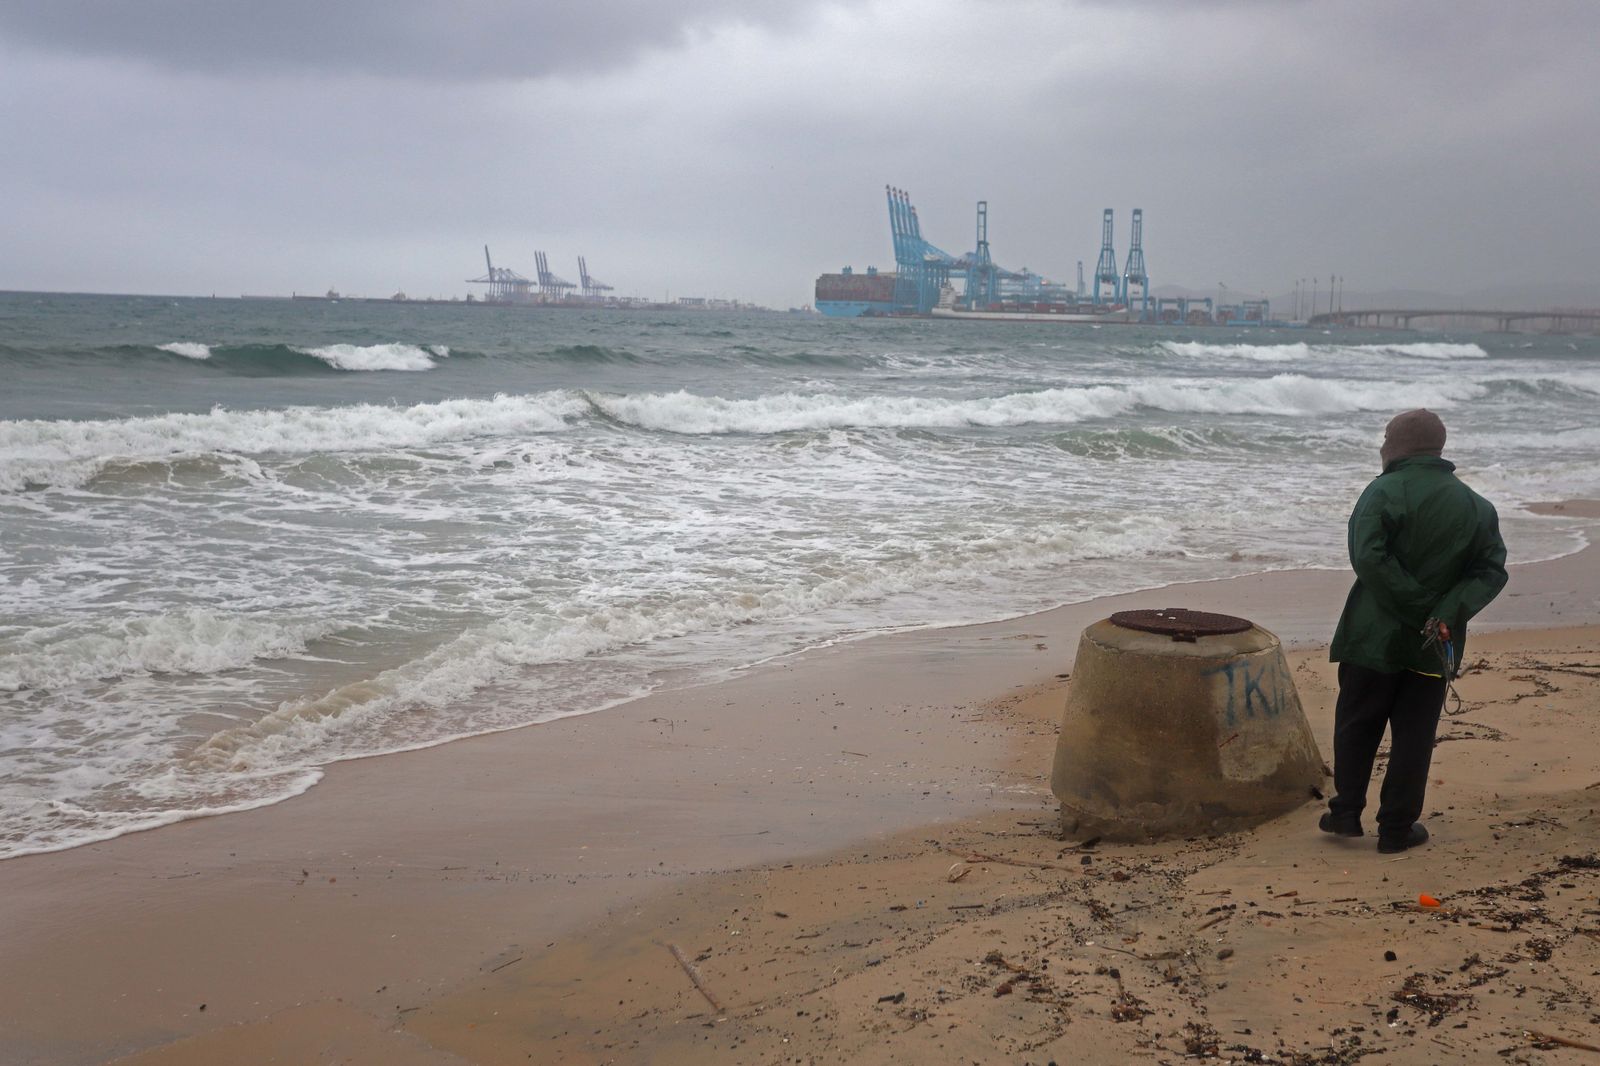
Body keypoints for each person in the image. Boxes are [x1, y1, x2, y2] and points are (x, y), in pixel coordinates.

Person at [1320, 408, 1508, 853]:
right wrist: (1441, 612)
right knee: (1414, 734)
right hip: (1434, 643)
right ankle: (1397, 829)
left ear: (1400, 445)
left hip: (1372, 639)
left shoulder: (1383, 491)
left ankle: (1346, 813)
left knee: (1356, 723)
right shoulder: (1476, 506)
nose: (1382, 444)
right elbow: (1491, 570)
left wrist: (1420, 607)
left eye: (1386, 436)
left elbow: (1368, 557)